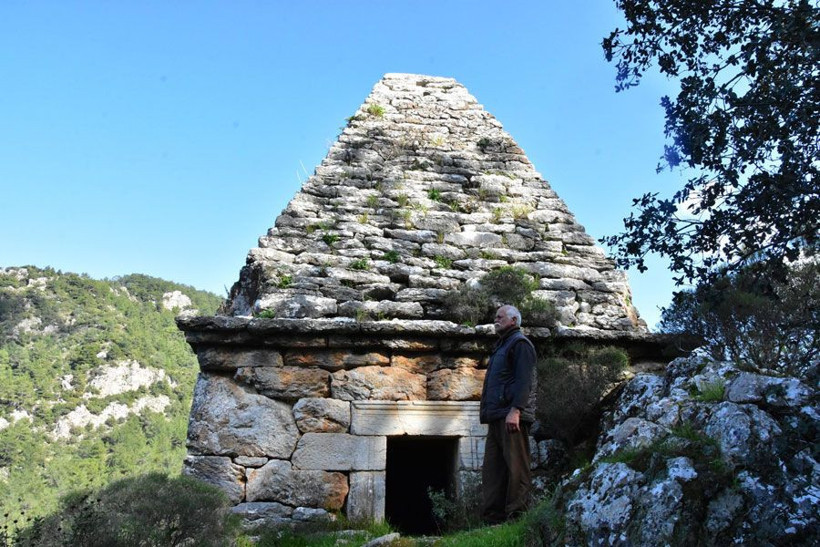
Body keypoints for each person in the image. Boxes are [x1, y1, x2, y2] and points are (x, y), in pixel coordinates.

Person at [479, 304, 537, 524]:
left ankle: (517, 517)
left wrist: (516, 410)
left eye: (500, 316)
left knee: (517, 468)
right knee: (493, 470)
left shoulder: (520, 344)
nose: (496, 319)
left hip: (511, 416)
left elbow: (525, 381)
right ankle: (493, 520)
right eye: (495, 317)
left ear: (514, 320)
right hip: (497, 416)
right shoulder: (501, 346)